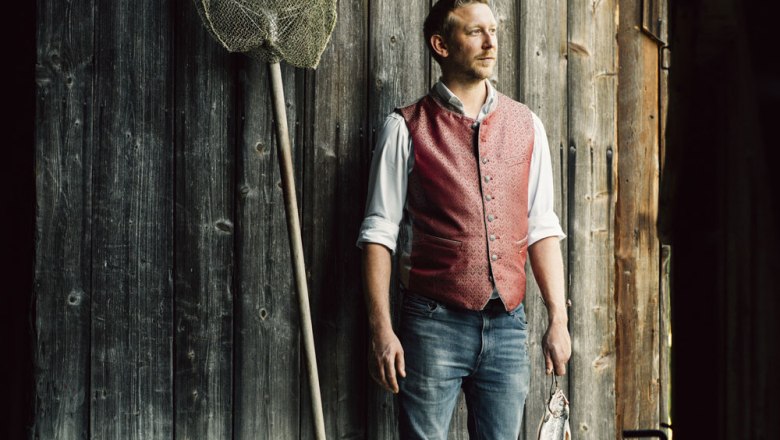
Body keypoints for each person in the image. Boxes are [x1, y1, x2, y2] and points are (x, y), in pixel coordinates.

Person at [356, 0, 572, 438]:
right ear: (441, 44)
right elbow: (379, 234)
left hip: (509, 326)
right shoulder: (405, 127)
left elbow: (541, 227)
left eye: (493, 30)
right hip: (432, 322)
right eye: (475, 32)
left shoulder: (527, 125)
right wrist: (381, 329)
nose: (491, 41)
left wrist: (558, 319)